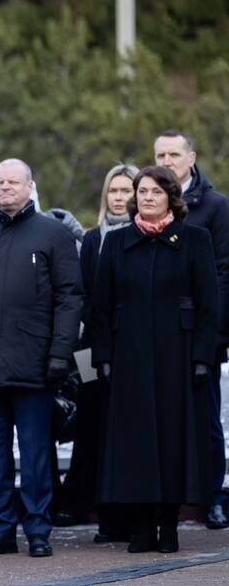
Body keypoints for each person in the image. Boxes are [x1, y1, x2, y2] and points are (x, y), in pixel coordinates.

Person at [0, 158, 82, 560]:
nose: (5, 187)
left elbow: (70, 298)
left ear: (30, 185)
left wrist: (61, 353)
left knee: (37, 453)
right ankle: (0, 530)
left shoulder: (53, 234)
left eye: (13, 181)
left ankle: (39, 529)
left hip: (36, 365)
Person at [90, 166, 218, 553]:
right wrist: (104, 356)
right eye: (142, 191)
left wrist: (202, 356)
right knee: (134, 441)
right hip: (129, 356)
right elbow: (100, 306)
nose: (147, 197)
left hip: (177, 356)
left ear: (171, 197)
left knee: (173, 439)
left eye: (156, 191)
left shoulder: (195, 239)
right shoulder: (117, 242)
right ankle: (141, 525)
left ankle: (169, 522)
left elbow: (210, 305)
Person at [57, 164, 138, 542]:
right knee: (92, 424)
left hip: (134, 348)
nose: (119, 197)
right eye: (113, 191)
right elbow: (84, 295)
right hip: (91, 349)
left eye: (126, 190)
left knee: (126, 427)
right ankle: (86, 503)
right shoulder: (92, 239)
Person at [154, 130, 229, 530]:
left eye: (174, 154)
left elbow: (223, 274)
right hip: (158, 336)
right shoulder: (145, 204)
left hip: (202, 332)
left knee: (206, 420)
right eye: (160, 154)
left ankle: (212, 497)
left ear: (191, 157)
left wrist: (214, 334)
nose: (167, 160)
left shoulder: (215, 207)